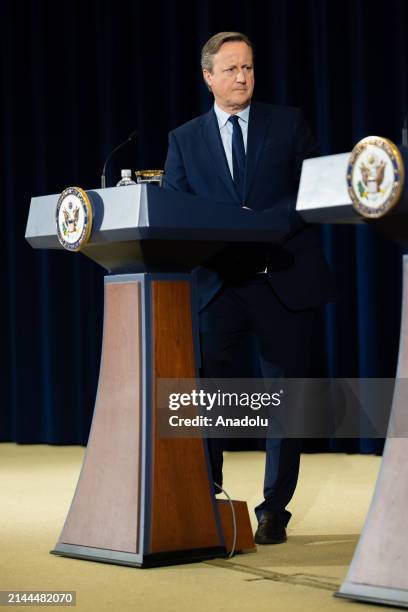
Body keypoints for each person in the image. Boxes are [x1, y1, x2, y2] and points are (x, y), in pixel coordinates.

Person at [163, 31, 334, 544]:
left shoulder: (288, 122)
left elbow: (313, 189)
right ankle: (209, 494)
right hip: (219, 285)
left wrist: (259, 224)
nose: (243, 77)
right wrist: (225, 228)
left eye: (249, 68)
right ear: (208, 77)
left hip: (282, 278)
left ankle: (274, 510)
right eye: (232, 69)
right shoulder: (184, 139)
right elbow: (176, 206)